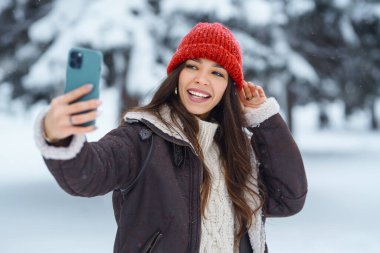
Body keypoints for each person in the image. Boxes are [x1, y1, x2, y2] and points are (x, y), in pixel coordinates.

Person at [34, 22, 307, 253]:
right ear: (177, 75)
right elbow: (90, 174)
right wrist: (58, 136)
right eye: (193, 66)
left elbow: (289, 197)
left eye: (216, 72)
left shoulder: (237, 150)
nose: (202, 79)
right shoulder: (142, 138)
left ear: (228, 88)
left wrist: (265, 121)